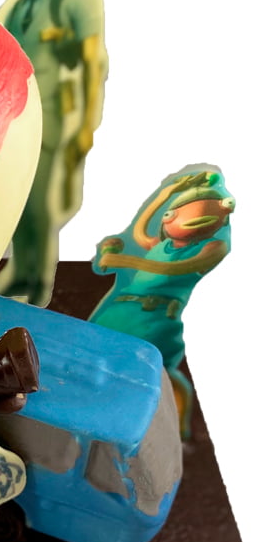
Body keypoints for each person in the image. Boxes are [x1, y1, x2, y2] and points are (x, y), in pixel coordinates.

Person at [0, 0, 107, 306]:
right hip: (15, 116)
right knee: (20, 201)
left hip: (52, 115)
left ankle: (36, 286)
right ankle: (19, 276)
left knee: (40, 202)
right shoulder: (23, 2)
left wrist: (87, 124)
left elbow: (93, 61)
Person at [89, 169, 234, 437]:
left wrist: (120, 260)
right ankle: (93, 403)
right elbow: (140, 229)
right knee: (95, 351)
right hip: (121, 308)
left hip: (154, 317)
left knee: (149, 371)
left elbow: (169, 270)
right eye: (172, 213)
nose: (175, 218)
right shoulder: (158, 245)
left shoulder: (208, 249)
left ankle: (170, 424)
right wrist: (167, 192)